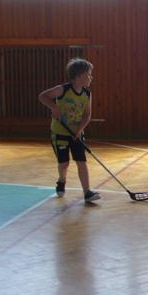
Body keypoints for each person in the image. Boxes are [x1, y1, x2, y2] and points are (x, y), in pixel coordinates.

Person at [38, 58, 101, 203]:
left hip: (76, 133)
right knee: (64, 163)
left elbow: (87, 115)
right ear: (78, 76)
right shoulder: (63, 90)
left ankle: (87, 192)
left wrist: (79, 130)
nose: (91, 77)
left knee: (81, 161)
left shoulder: (87, 93)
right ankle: (61, 180)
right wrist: (54, 107)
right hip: (60, 133)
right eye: (88, 74)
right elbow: (43, 96)